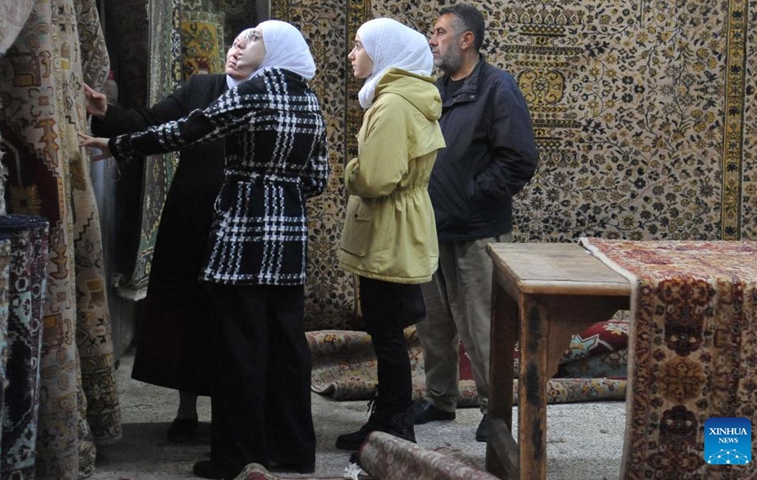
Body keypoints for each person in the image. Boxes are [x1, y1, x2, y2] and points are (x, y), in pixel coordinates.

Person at [79, 20, 329, 477]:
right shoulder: (309, 100)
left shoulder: (254, 93)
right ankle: (295, 450)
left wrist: (117, 145)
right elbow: (318, 179)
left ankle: (235, 455)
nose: (243, 46)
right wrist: (280, 190)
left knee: (240, 350)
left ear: (273, 50)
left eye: (255, 39)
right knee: (287, 349)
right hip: (290, 242)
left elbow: (186, 131)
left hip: (243, 239)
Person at [84, 29, 253, 444]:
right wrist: (108, 111)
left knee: (229, 318)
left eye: (247, 47)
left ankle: (231, 414)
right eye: (233, 44)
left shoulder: (268, 98)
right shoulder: (203, 87)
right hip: (190, 216)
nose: (235, 51)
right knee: (186, 311)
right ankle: (186, 410)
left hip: (239, 223)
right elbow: (153, 122)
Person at [412, 3, 539, 442]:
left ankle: (495, 409)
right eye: (433, 32)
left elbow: (519, 159)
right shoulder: (436, 90)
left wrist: (471, 194)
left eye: (441, 32)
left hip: (476, 231)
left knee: (481, 327)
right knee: (433, 323)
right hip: (431, 230)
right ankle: (439, 399)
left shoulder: (497, 87)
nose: (433, 39)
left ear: (467, 40)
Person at [334, 17, 445, 451]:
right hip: (398, 224)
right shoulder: (401, 98)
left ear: (384, 55)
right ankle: (388, 418)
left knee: (386, 333)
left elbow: (377, 177)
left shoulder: (393, 103)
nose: (352, 54)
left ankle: (393, 423)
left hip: (389, 228)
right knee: (388, 330)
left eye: (360, 45)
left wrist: (349, 172)